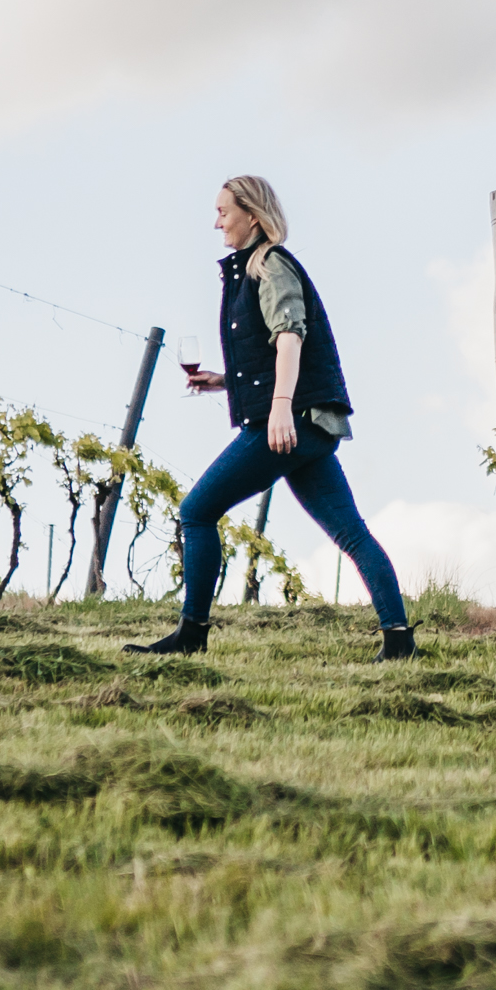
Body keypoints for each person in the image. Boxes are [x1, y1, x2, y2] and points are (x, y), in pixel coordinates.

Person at [127, 175, 417, 659]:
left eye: (224, 211)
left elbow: (289, 336)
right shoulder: (250, 269)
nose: (216, 220)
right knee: (351, 532)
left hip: (289, 421)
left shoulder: (271, 265)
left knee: (196, 511)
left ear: (253, 217)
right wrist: (225, 380)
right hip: (305, 422)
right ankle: (399, 641)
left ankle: (191, 636)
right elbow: (268, 350)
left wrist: (280, 408)